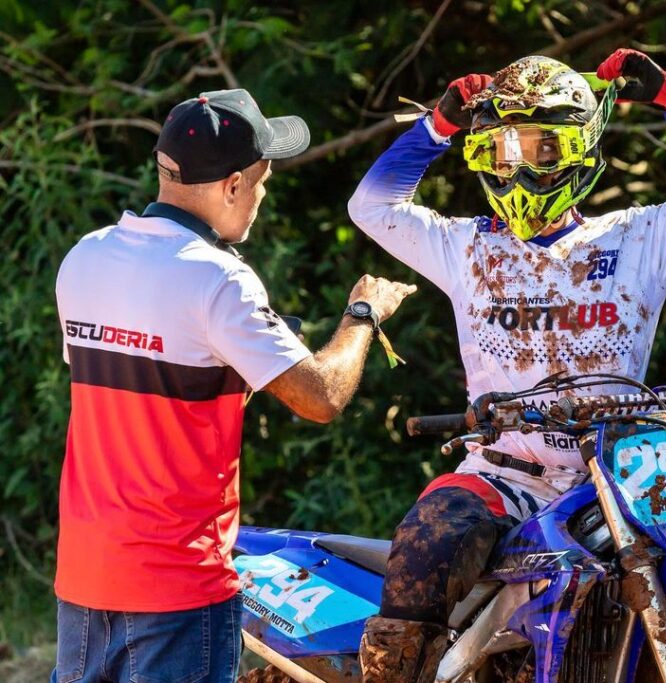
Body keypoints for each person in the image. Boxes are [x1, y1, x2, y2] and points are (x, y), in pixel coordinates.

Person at [348, 49, 666, 681]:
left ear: (579, 149)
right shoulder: (468, 246)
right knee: (426, 548)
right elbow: (371, 207)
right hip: (501, 473)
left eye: (542, 148)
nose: (518, 166)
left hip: (622, 485)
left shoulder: (637, 240)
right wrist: (437, 125)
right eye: (500, 150)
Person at [53, 88, 416, 683]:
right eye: (263, 181)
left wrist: (232, 371)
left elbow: (143, 399)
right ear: (231, 185)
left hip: (84, 575)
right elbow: (321, 397)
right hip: (178, 583)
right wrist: (362, 316)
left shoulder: (86, 257)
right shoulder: (219, 278)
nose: (262, 197)